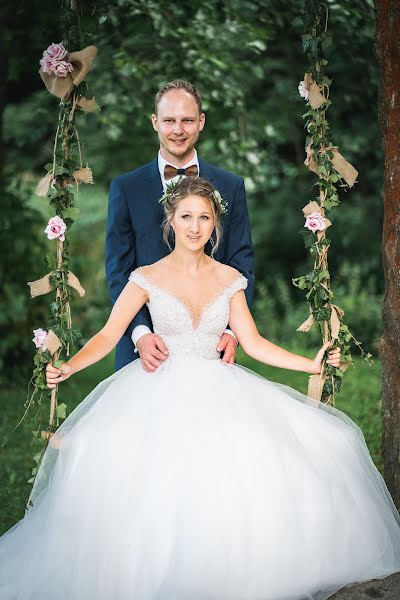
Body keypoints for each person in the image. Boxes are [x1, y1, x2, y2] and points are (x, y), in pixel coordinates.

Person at [0, 177, 399, 600]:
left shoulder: (229, 278)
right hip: (157, 390)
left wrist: (310, 362)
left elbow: (255, 342)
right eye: (186, 216)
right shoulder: (145, 277)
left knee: (271, 452)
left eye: (204, 218)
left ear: (215, 225)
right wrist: (68, 366)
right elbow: (107, 334)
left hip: (218, 385)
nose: (194, 226)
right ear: (170, 221)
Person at [106, 79, 254, 372]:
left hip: (210, 351)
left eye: (187, 120)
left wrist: (231, 331)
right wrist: (140, 333)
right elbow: (118, 270)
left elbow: (242, 264)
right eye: (169, 120)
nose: (178, 130)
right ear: (154, 122)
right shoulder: (126, 188)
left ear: (201, 122)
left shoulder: (230, 185)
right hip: (143, 353)